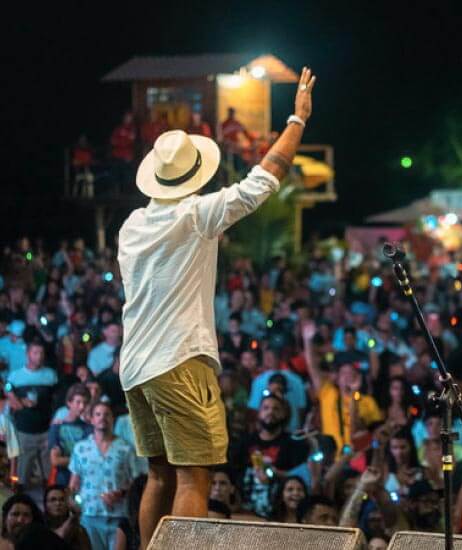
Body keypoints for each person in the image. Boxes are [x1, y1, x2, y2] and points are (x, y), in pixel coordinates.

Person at [116, 67, 316, 545]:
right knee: (194, 477)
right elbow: (263, 181)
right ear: (193, 175)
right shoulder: (194, 215)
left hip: (135, 369)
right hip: (179, 362)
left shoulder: (131, 225)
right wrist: (298, 118)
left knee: (159, 475)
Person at [69, 400, 141, 550]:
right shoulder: (81, 448)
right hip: (89, 514)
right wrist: (74, 504)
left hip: (118, 515)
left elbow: (136, 481)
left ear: (113, 418)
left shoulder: (125, 448)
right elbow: (74, 482)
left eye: (107, 414)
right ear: (92, 419)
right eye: (98, 414)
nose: (102, 417)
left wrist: (121, 493)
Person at [5, 340, 58, 491]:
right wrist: (19, 400)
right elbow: (8, 391)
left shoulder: (51, 375)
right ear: (28, 354)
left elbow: (56, 400)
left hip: (46, 429)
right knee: (23, 474)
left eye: (41, 353)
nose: (39, 356)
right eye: (35, 353)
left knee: (48, 474)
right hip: (24, 430)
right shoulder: (15, 376)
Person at [47, 383, 92, 486]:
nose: (82, 407)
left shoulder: (89, 428)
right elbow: (55, 460)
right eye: (78, 402)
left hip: (84, 480)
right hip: (63, 479)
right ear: (69, 403)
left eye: (85, 403)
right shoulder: (57, 427)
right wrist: (81, 460)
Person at [43, 484, 91, 549]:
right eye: (53, 500)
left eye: (62, 500)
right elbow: (55, 539)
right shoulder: (40, 527)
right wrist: (73, 517)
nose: (58, 503)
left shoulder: (79, 529)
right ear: (45, 504)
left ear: (68, 504)